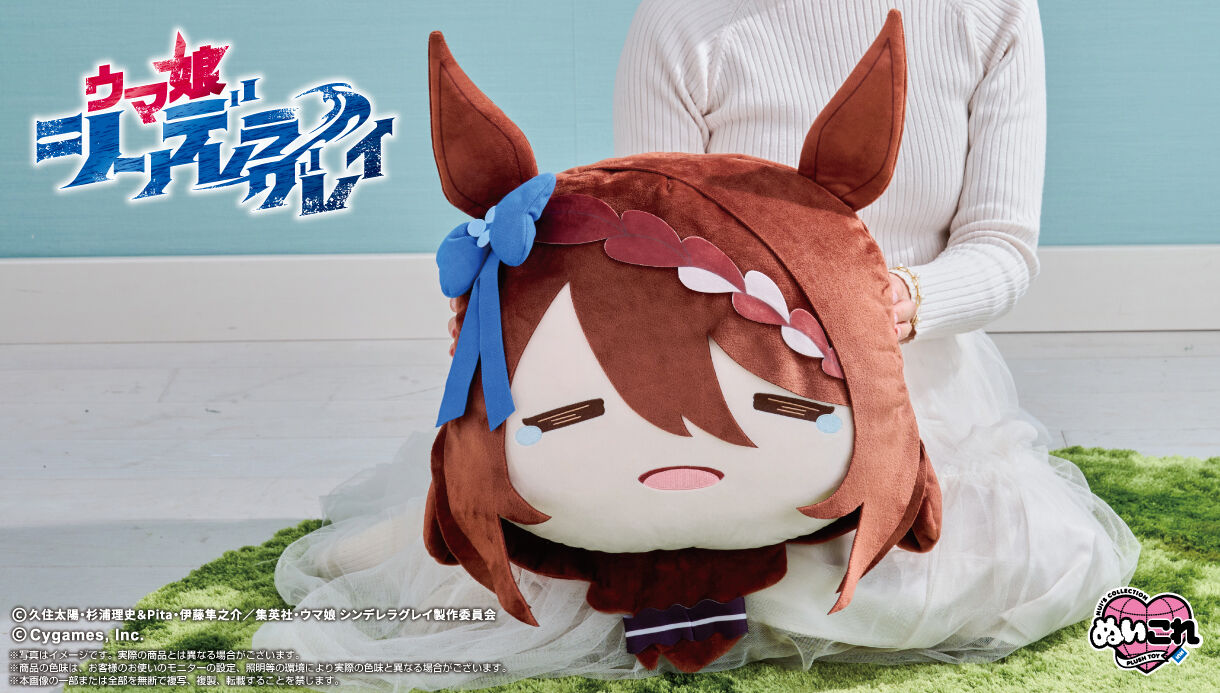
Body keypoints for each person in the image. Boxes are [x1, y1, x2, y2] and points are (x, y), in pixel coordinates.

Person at [253, 1, 1139, 688]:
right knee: (605, 541)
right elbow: (653, 252)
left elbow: (1003, 248)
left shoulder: (989, 12)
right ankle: (417, 542)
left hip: (906, 374)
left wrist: (890, 304)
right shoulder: (683, 22)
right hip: (712, 385)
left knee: (1000, 575)